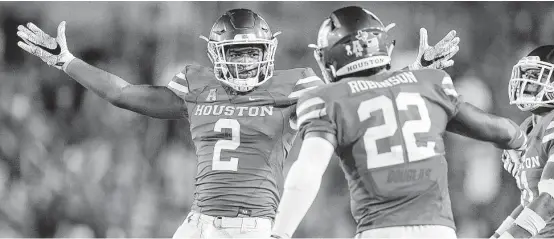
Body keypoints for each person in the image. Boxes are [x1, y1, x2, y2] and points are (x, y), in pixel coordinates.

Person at [16, 8, 459, 238]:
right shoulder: (198, 84)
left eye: (253, 53)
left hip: (254, 227)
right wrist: (67, 61)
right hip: (199, 223)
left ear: (269, 51)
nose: (246, 64)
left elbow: (362, 92)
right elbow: (123, 93)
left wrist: (414, 69)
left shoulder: (295, 85)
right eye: (236, 54)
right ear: (215, 54)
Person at [270, 6, 528, 239]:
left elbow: (307, 173)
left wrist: (280, 233)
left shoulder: (327, 99)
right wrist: (518, 140)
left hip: (380, 230)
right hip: (439, 232)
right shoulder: (429, 84)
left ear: (330, 58)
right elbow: (496, 129)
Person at [492, 45, 554, 239]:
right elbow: (530, 201)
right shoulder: (528, 127)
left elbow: (550, 201)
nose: (527, 83)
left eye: (537, 77)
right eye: (527, 75)